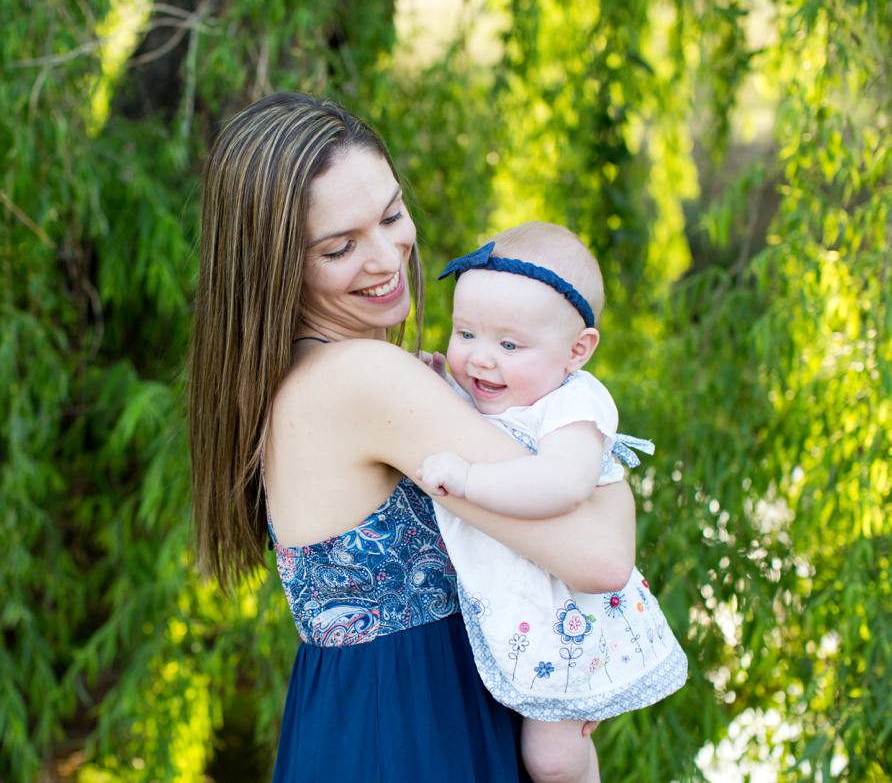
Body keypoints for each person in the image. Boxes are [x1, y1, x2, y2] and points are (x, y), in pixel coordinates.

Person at [188, 92, 637, 782]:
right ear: (276, 265)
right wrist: (584, 417)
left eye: (393, 214)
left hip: (368, 723)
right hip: (412, 733)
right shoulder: (365, 376)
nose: (387, 255)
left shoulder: (304, 376)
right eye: (340, 246)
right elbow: (601, 554)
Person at [417, 223, 688, 783]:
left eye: (509, 345)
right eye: (465, 333)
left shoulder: (574, 407)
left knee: (551, 758)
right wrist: (442, 387)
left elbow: (560, 483)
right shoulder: (503, 389)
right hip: (523, 608)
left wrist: (467, 478)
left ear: (577, 352)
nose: (482, 360)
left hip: (574, 621)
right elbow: (477, 419)